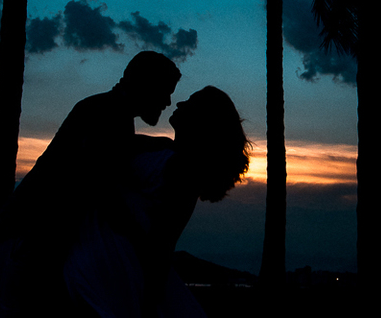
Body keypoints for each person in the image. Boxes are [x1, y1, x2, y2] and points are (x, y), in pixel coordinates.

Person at [0, 51, 182, 315]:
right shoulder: (108, 115)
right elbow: (104, 188)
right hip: (28, 243)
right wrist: (143, 246)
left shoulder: (106, 111)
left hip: (25, 239)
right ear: (145, 85)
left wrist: (159, 143)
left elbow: (116, 149)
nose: (168, 102)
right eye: (165, 91)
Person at [63, 86, 251, 317]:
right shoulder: (162, 147)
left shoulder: (184, 173)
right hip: (98, 245)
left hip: (112, 257)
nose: (179, 103)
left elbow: (163, 242)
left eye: (190, 102)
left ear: (203, 120)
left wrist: (150, 300)